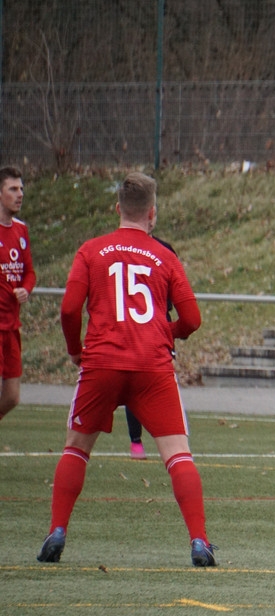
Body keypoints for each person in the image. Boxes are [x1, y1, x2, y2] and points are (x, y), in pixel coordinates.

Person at [37, 172, 217, 567]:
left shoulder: (91, 250)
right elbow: (192, 318)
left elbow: (69, 309)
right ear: (152, 213)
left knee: (76, 447)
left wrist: (75, 350)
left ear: (117, 208)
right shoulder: (165, 256)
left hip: (101, 362)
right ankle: (199, 540)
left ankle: (57, 530)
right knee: (178, 455)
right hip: (152, 366)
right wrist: (166, 333)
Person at [125, 234, 178, 460]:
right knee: (133, 384)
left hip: (157, 326)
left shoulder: (165, 249)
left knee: (164, 383)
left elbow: (175, 292)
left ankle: (173, 443)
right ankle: (136, 440)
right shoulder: (118, 248)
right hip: (132, 327)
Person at [0, 166, 35, 424]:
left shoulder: (21, 230)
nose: (20, 194)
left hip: (11, 327)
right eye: (13, 189)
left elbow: (29, 272)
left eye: (21, 188)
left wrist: (26, 289)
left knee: (12, 397)